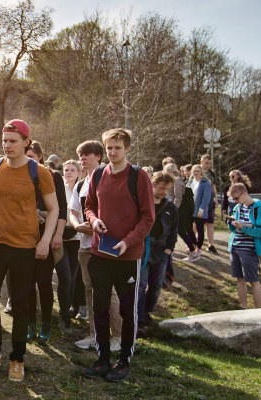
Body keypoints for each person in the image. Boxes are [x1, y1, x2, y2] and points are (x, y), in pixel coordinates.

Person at [0, 119, 59, 382]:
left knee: (20, 304)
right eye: (5, 141)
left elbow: (53, 209)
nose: (7, 146)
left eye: (13, 141)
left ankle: (17, 358)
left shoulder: (39, 171)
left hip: (25, 248)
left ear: (26, 143)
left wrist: (45, 240)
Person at [80, 128, 154, 383]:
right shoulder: (99, 174)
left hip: (127, 255)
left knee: (126, 310)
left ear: (127, 149)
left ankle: (124, 360)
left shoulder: (138, 176)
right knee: (99, 307)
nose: (113, 152)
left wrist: (128, 241)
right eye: (109, 148)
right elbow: (88, 205)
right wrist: (94, 219)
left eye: (117, 148)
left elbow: (148, 218)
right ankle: (103, 359)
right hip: (100, 253)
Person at [69, 141, 123, 352]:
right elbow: (73, 211)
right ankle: (94, 336)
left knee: (110, 293)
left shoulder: (109, 180)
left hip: (107, 244)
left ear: (99, 156)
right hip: (84, 245)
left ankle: (117, 337)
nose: (82, 158)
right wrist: (77, 226)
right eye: (80, 154)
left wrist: (98, 226)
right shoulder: (81, 184)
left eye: (87, 154)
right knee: (90, 291)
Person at [24, 140, 68, 341]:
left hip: (46, 234)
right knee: (27, 282)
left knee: (44, 281)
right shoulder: (20, 174)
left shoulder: (53, 176)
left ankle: (47, 324)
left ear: (40, 156)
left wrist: (57, 235)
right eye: (27, 156)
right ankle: (31, 324)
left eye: (32, 156)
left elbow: (61, 209)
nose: (29, 160)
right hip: (24, 234)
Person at [136, 172, 177, 336]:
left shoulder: (171, 207)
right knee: (140, 285)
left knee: (156, 286)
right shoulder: (142, 203)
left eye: (167, 189)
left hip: (161, 252)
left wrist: (169, 248)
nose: (164, 192)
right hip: (143, 250)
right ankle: (137, 318)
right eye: (161, 188)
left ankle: (147, 313)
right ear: (152, 185)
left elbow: (174, 229)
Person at [227, 183, 261, 309]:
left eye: (236, 198)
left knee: (253, 280)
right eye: (232, 199)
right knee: (239, 278)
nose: (235, 201)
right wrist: (231, 223)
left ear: (245, 194)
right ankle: (244, 307)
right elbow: (233, 229)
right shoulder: (237, 207)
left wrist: (243, 228)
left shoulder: (260, 209)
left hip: (249, 249)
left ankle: (258, 309)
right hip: (235, 246)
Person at [62, 160, 85, 321]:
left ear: (79, 172)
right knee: (65, 274)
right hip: (61, 237)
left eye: (72, 170)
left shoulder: (81, 189)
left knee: (75, 273)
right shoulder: (59, 189)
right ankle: (65, 308)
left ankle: (75, 306)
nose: (69, 172)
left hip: (77, 237)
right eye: (66, 170)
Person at [166, 163, 199, 262]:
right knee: (176, 230)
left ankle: (193, 252)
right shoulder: (173, 180)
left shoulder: (177, 181)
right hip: (174, 209)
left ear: (171, 171)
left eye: (166, 171)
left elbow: (178, 198)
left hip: (179, 210)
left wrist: (173, 210)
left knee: (181, 230)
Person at [190, 165, 214, 255]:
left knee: (200, 229)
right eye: (194, 171)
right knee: (189, 229)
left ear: (201, 172)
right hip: (191, 209)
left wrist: (202, 209)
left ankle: (199, 248)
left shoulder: (205, 183)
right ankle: (193, 245)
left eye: (197, 171)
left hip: (200, 209)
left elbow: (206, 197)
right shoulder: (190, 182)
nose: (195, 173)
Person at [199, 155, 220, 254]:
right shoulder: (197, 171)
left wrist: (216, 199)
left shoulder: (211, 174)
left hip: (210, 202)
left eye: (209, 163)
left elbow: (214, 187)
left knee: (209, 223)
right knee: (197, 224)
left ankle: (210, 244)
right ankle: (193, 244)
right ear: (201, 162)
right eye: (206, 163)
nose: (208, 165)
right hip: (199, 202)